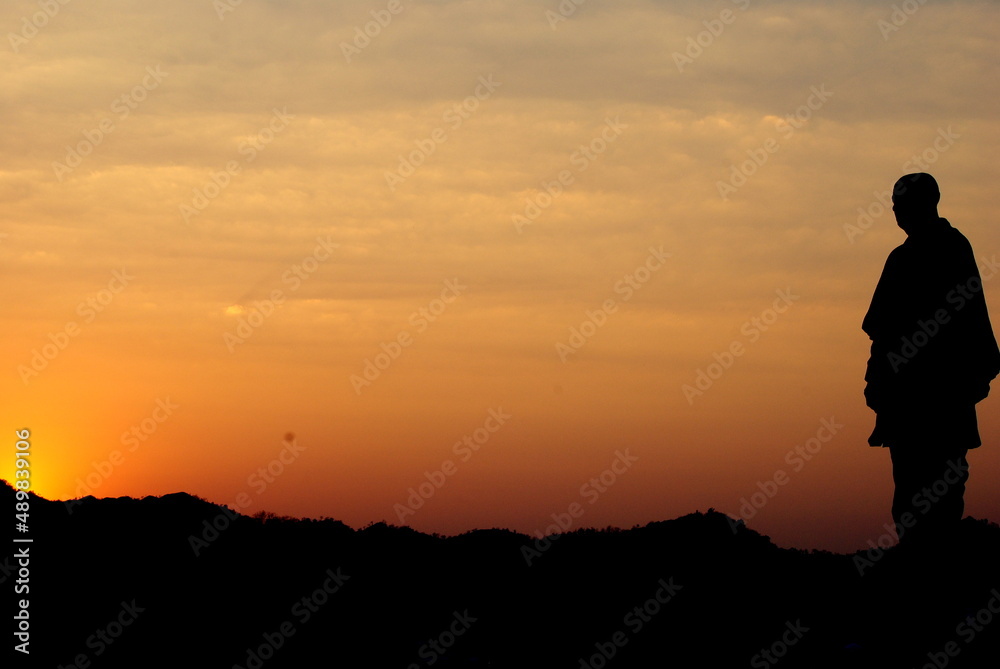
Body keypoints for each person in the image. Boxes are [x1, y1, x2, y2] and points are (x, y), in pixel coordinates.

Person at [862, 172, 1000, 547]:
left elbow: (969, 320)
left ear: (927, 203)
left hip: (942, 397)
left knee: (941, 498)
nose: (897, 213)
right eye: (893, 206)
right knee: (909, 499)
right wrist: (876, 380)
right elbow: (881, 332)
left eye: (902, 205)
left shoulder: (952, 248)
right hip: (906, 400)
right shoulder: (901, 257)